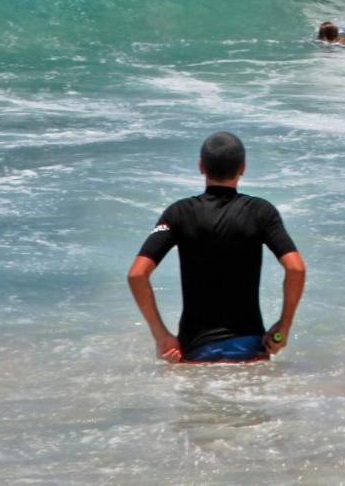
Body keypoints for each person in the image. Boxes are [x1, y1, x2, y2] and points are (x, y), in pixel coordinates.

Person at [126, 132, 306, 363]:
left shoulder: (179, 213)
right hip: (250, 350)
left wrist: (160, 335)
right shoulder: (261, 212)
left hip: (195, 350)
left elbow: (137, 274)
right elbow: (296, 269)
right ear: (243, 168)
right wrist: (284, 326)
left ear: (201, 166)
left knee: (197, 400)